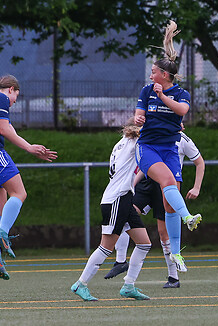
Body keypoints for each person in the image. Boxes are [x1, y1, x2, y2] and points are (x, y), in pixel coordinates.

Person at [0, 75, 57, 280]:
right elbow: (5, 129)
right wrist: (29, 148)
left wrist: (29, 145)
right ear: (11, 89)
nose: (15, 100)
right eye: (16, 95)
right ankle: (2, 232)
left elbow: (9, 127)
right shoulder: (0, 98)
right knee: (19, 193)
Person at [133, 20, 202, 273]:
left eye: (154, 72)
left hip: (170, 148)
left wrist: (163, 96)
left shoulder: (181, 94)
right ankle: (189, 218)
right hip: (148, 146)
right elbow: (138, 115)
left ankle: (176, 254)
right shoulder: (146, 90)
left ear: (165, 75)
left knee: (170, 204)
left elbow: (182, 111)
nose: (151, 76)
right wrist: (138, 118)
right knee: (168, 183)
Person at [105, 128, 205, 287]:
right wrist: (132, 183)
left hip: (166, 187)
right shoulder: (152, 132)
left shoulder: (183, 139)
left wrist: (196, 187)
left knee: (163, 232)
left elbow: (199, 162)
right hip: (147, 182)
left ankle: (173, 277)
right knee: (125, 215)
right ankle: (120, 261)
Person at [71, 124, 151, 301]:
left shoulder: (120, 143)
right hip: (117, 199)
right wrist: (172, 126)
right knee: (105, 247)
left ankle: (129, 286)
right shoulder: (133, 142)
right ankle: (80, 284)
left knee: (144, 243)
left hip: (124, 199)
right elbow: (150, 132)